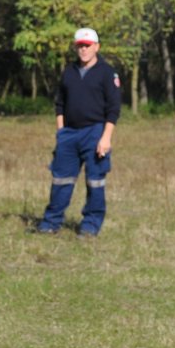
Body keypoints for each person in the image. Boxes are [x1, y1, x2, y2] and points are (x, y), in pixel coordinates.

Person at [36, 27, 121, 236]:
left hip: (95, 133)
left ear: (96, 47)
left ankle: (90, 225)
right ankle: (51, 222)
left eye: (87, 45)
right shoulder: (69, 72)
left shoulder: (107, 72)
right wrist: (61, 132)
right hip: (69, 134)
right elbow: (59, 104)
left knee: (95, 181)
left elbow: (114, 109)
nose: (83, 50)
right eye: (80, 46)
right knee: (60, 180)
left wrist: (105, 137)